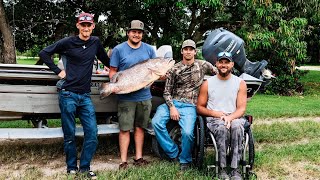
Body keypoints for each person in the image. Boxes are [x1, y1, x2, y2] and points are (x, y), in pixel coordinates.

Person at [39, 12, 109, 179]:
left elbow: (106, 60)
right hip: (67, 94)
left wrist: (112, 70)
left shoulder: (95, 42)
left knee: (92, 133)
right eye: (82, 25)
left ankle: (84, 168)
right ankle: (71, 167)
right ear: (78, 26)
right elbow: (44, 53)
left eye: (89, 25)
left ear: (93, 26)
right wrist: (58, 71)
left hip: (85, 96)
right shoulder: (68, 42)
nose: (86, 28)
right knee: (69, 133)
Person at [152, 39, 217, 171]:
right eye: (185, 49)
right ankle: (174, 153)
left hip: (190, 105)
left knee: (187, 133)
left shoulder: (203, 65)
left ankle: (185, 160)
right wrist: (171, 107)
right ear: (182, 51)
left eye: (191, 49)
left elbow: (219, 72)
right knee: (156, 122)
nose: (188, 51)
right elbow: (167, 92)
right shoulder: (174, 68)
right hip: (173, 102)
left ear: (195, 51)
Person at [109, 20, 156, 169]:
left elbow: (154, 72)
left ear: (142, 34)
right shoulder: (118, 50)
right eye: (134, 32)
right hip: (126, 96)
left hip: (145, 97)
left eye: (139, 32)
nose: (136, 35)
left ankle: (138, 157)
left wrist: (159, 76)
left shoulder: (149, 50)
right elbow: (112, 71)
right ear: (128, 32)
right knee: (124, 129)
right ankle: (123, 161)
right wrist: (115, 85)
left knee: (140, 128)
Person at [196, 52, 247, 180]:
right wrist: (215, 114)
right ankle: (222, 168)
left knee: (236, 126)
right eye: (221, 62)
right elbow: (200, 107)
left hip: (234, 116)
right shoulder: (208, 83)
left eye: (227, 62)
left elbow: (241, 108)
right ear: (217, 64)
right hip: (215, 118)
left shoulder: (240, 83)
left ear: (232, 64)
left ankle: (235, 169)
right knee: (222, 127)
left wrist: (230, 118)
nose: (224, 65)